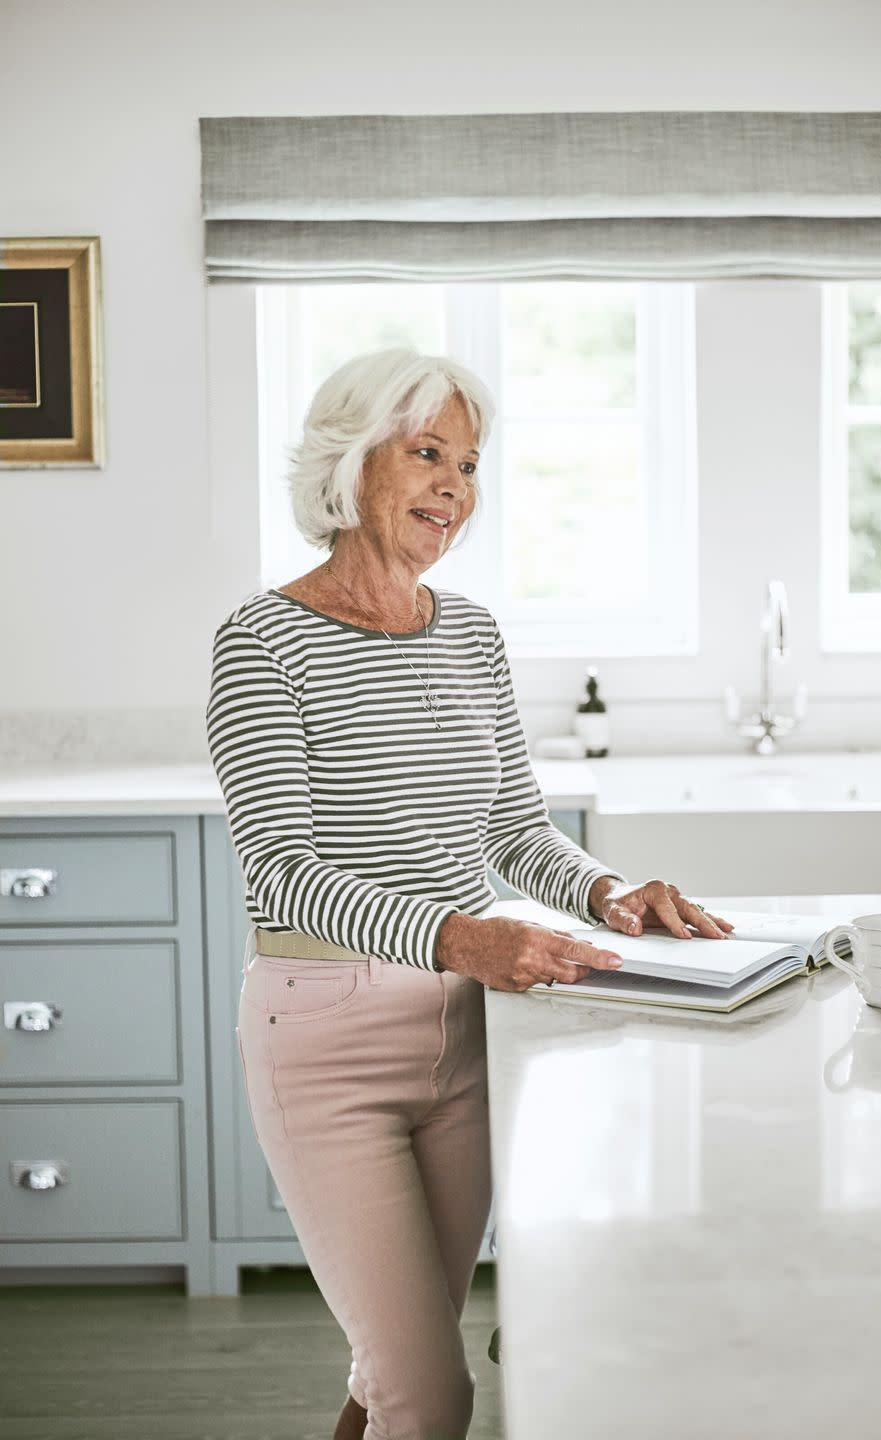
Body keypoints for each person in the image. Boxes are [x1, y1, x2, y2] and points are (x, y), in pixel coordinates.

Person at [205, 346, 734, 1440]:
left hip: (470, 1031)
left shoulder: (473, 633)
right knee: (428, 1391)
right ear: (351, 466)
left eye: (470, 463)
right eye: (427, 453)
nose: (454, 485)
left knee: (395, 1372)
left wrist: (609, 892)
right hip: (327, 1036)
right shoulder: (261, 642)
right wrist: (459, 938)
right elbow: (282, 873)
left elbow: (510, 829)